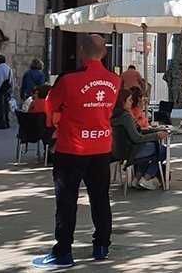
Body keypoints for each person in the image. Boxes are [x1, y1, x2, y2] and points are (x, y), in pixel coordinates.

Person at [32, 35, 119, 268]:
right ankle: (101, 246)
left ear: (82, 51)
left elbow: (50, 106)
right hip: (101, 147)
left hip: (72, 148)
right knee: (100, 198)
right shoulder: (114, 80)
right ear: (104, 53)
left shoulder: (69, 79)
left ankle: (63, 252)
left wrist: (59, 118)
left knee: (67, 200)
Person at [110, 88, 167, 190]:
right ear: (123, 102)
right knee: (162, 150)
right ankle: (146, 178)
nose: (132, 102)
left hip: (118, 150)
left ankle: (137, 179)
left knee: (150, 148)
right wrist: (156, 135)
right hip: (131, 150)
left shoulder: (112, 115)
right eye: (130, 100)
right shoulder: (126, 116)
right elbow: (136, 138)